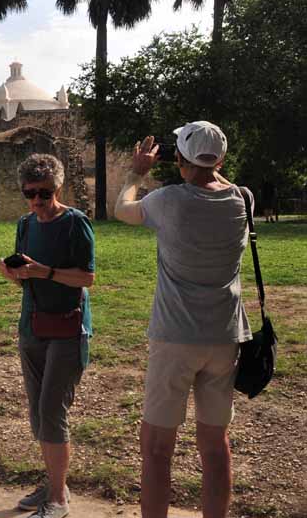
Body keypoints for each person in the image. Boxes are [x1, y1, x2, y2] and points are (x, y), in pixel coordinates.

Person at [114, 121, 253, 518]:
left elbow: (121, 208)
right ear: (221, 160)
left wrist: (135, 172)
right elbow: (217, 179)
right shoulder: (244, 199)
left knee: (157, 449)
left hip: (175, 338)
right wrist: (209, 165)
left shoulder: (168, 201)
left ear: (178, 159)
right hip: (224, 338)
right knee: (215, 445)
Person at [0, 153, 95, 518]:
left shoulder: (76, 223)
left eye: (44, 193)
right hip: (33, 327)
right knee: (39, 415)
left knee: (53, 411)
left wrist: (45, 272)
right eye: (29, 193)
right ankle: (55, 483)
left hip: (69, 330)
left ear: (58, 188)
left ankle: (58, 500)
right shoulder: (25, 224)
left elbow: (87, 278)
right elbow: (28, 275)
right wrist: (15, 274)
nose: (37, 201)